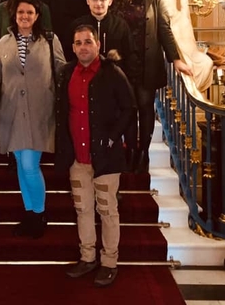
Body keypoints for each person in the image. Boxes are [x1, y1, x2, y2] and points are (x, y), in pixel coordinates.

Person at [55, 24, 134, 288]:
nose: (83, 47)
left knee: (108, 211)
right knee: (83, 209)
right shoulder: (66, 73)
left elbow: (128, 109)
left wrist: (112, 138)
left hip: (106, 159)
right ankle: (87, 257)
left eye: (87, 42)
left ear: (97, 44)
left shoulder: (112, 73)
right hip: (77, 158)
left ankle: (109, 262)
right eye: (77, 43)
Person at [0, 0, 65, 239]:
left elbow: (61, 69)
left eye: (30, 12)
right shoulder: (4, 42)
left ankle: (40, 213)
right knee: (22, 170)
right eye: (21, 12)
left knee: (29, 165)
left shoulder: (50, 40)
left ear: (36, 16)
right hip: (11, 111)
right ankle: (29, 212)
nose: (25, 16)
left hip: (38, 111)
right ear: (15, 15)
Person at [111, 0, 193, 174]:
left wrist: (175, 58)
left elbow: (164, 30)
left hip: (147, 62)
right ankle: (129, 152)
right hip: (123, 64)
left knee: (146, 109)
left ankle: (143, 152)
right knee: (127, 109)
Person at [70, 0, 134, 79]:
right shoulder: (77, 25)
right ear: (88, 1)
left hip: (114, 78)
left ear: (110, 1)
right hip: (84, 77)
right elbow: (70, 54)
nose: (98, 3)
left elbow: (129, 54)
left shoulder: (121, 25)